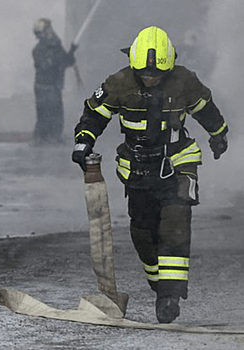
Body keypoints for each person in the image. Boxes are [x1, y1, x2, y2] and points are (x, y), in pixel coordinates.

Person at [72, 26, 228, 324]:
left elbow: (206, 110)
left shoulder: (184, 81)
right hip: (137, 167)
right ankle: (159, 283)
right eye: (145, 73)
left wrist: (218, 135)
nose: (151, 78)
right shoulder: (118, 83)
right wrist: (83, 141)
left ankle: (169, 296)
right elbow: (94, 114)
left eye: (157, 74)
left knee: (175, 221)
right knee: (142, 233)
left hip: (178, 162)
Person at [32, 18, 77, 146]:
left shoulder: (56, 47)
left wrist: (72, 52)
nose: (52, 31)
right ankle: (41, 139)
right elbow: (47, 66)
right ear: (42, 33)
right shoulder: (39, 50)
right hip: (44, 88)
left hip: (54, 87)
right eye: (48, 29)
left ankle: (55, 137)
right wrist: (55, 52)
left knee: (57, 114)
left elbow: (66, 62)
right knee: (45, 115)